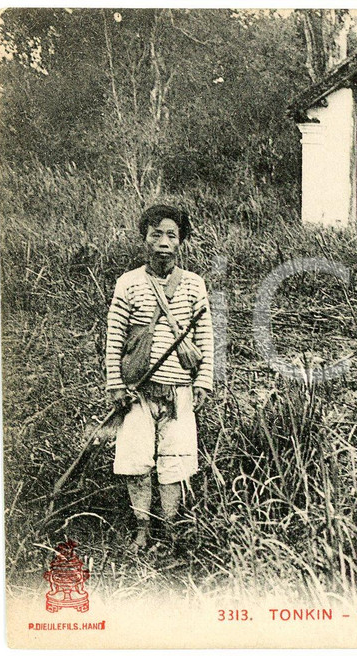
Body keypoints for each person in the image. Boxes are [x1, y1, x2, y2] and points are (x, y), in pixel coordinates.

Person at [105, 204, 214, 555]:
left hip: (180, 390)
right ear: (144, 238)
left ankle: (170, 532)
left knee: (175, 462)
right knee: (136, 461)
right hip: (136, 391)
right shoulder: (129, 283)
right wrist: (116, 384)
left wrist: (203, 383)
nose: (163, 242)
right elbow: (115, 337)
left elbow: (206, 338)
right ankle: (141, 529)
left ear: (181, 241)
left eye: (171, 235)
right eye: (156, 234)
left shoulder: (194, 285)